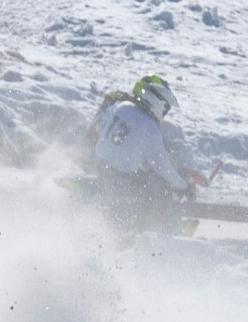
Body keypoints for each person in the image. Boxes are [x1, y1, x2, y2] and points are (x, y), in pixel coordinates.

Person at [87, 74, 204, 227]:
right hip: (121, 177)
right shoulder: (150, 128)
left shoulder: (122, 106)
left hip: (99, 165)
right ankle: (161, 227)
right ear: (158, 102)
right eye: (166, 108)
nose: (165, 113)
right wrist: (183, 185)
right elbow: (163, 167)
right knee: (160, 188)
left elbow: (99, 127)